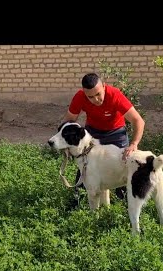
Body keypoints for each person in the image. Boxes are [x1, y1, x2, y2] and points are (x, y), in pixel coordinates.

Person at [62, 72, 146, 208]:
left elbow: (138, 121)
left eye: (98, 94)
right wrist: (63, 140)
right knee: (85, 167)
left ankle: (122, 206)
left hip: (116, 133)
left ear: (104, 87)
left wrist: (134, 144)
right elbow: (69, 120)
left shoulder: (115, 95)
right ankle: (77, 202)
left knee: (122, 165)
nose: (96, 99)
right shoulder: (79, 97)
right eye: (90, 97)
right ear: (84, 93)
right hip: (93, 133)